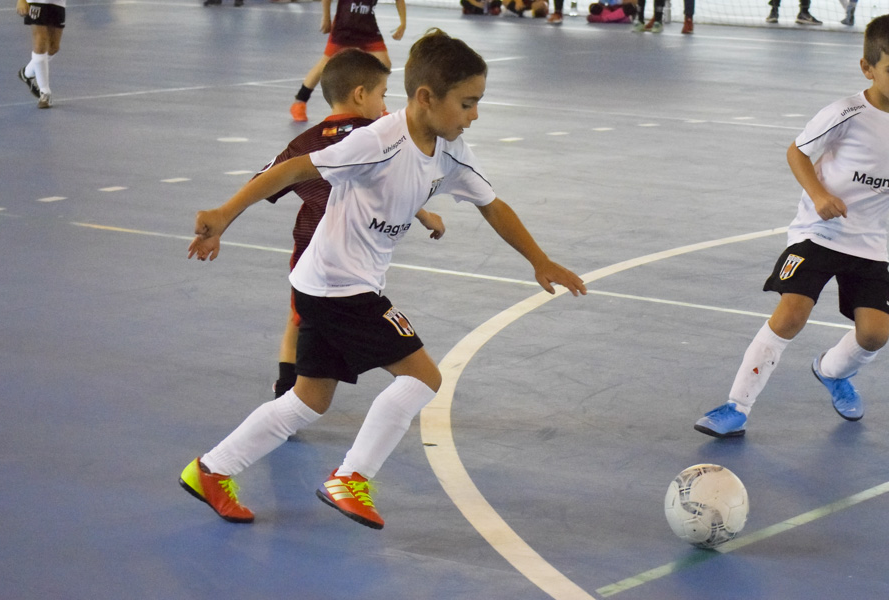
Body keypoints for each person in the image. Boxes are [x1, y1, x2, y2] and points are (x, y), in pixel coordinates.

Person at [180, 28, 588, 528]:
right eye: (467, 102)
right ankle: (351, 478)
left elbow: (492, 205)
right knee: (424, 377)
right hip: (339, 285)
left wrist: (538, 260)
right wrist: (224, 214)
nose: (475, 115)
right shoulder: (376, 140)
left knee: (310, 400)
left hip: (330, 282)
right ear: (425, 98)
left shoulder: (450, 150)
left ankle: (211, 470)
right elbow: (290, 170)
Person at [695, 13, 889, 439]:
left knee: (874, 335)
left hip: (868, 243)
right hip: (818, 232)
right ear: (868, 68)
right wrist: (820, 196)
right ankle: (737, 406)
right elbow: (797, 153)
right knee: (791, 314)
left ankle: (831, 372)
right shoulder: (845, 112)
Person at [188, 49, 444, 403]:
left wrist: (222, 221)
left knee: (299, 317)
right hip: (350, 252)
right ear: (360, 94)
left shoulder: (304, 143)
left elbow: (263, 182)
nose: (386, 106)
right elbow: (399, 185)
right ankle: (291, 395)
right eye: (382, 95)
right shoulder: (380, 136)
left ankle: (286, 387)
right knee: (324, 322)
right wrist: (425, 214)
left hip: (308, 248)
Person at [289, 0, 406, 122]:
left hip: (367, 27)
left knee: (384, 64)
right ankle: (300, 101)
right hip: (344, 27)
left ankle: (377, 107)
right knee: (324, 64)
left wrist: (403, 23)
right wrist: (326, 17)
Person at [16, 0, 64, 109]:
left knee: (53, 48)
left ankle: (27, 73)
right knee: (40, 43)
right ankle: (45, 92)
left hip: (58, 2)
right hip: (35, 1)